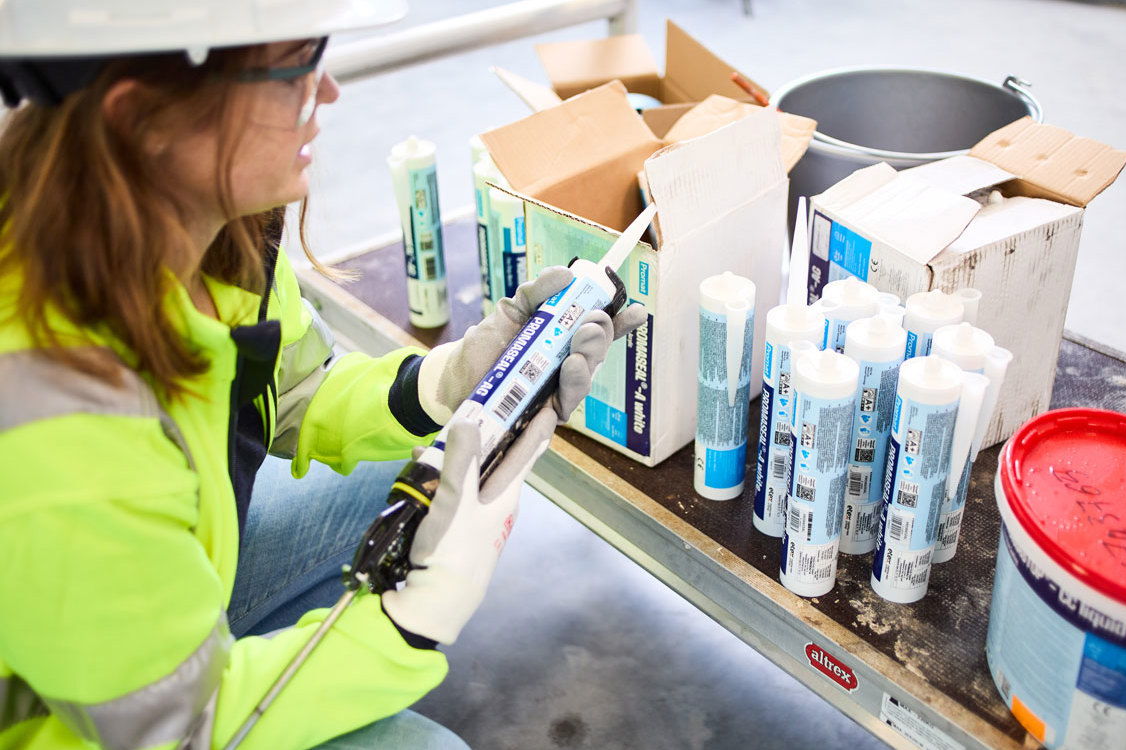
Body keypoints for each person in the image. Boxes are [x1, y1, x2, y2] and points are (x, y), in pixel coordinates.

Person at [0, 2, 648, 749]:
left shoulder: (219, 233)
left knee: (406, 477)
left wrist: (457, 376)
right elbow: (175, 733)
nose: (329, 90)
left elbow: (293, 395)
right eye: (294, 66)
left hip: (145, 593)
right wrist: (409, 624)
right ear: (142, 118)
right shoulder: (58, 419)